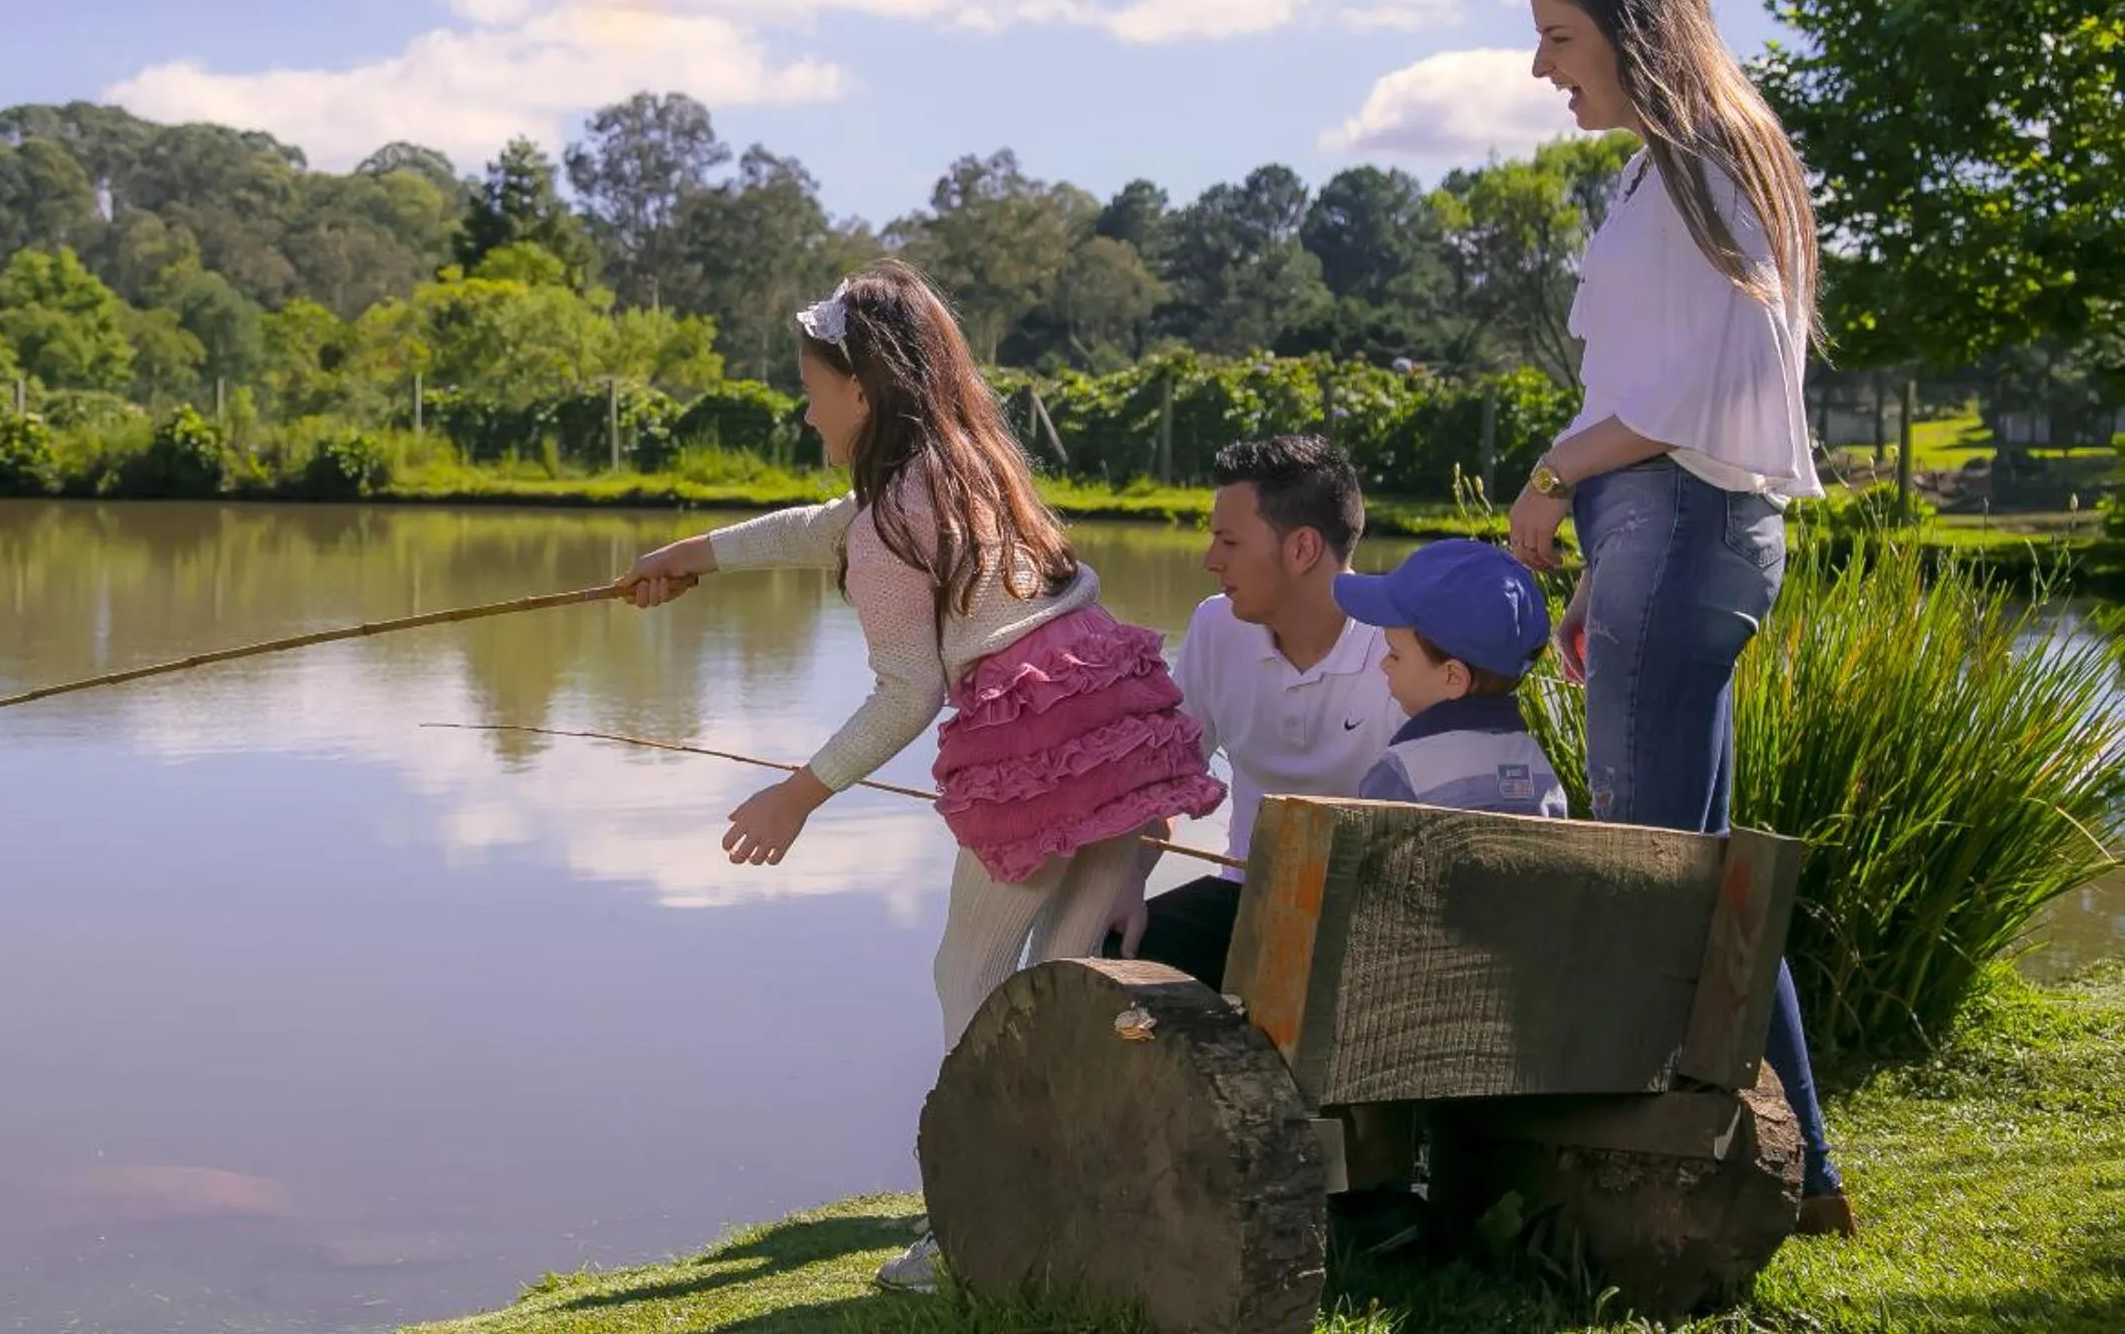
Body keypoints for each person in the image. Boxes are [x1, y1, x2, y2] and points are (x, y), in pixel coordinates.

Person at [618, 257, 1226, 1291]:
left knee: (972, 982)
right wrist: (692, 554)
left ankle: (969, 1237)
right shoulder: (972, 460)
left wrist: (797, 793)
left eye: (812, 390)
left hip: (1037, 751)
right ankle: (1057, 1219)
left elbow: (905, 690)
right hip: (1110, 721)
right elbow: (825, 529)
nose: (807, 412)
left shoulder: (892, 519)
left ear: (862, 389)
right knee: (1058, 989)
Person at [1508, 0, 1851, 1238]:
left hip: (1679, 524)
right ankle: (1806, 1173)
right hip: (1664, 533)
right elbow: (1668, 398)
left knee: (1648, 878)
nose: (1544, 70)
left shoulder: (1704, 167)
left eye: (1560, 37)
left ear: (1632, 32)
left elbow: (1685, 397)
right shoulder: (1679, 170)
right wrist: (1608, 553)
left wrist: (1554, 474)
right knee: (1694, 874)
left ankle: (1648, 1174)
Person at [1102, 436, 1406, 987]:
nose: (1209, 560)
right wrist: (1127, 879)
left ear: (1302, 550)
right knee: (1109, 949)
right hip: (1248, 899)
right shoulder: (1217, 626)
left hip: (1373, 926)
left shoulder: (1403, 647)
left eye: (1229, 541)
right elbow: (1170, 777)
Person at [1333, 537, 1567, 819]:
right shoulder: (1540, 771)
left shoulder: (1400, 774)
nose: (1383, 664)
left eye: (1395, 655)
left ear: (1453, 677)